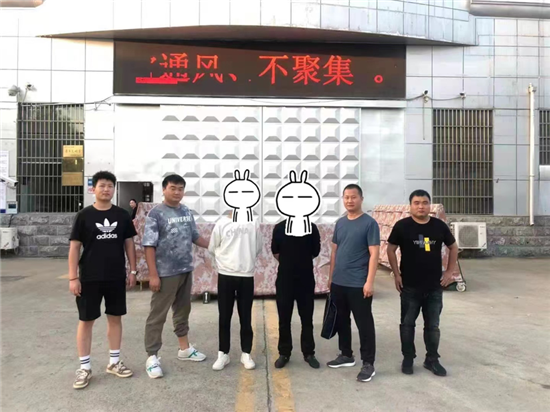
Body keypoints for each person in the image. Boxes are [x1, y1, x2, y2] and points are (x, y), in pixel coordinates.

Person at [68, 171, 137, 390]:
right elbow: (74, 247)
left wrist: (133, 271)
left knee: (115, 318)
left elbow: (129, 244)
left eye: (110, 186)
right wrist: (73, 277)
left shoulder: (122, 215)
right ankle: (84, 367)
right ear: (93, 189)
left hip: (116, 276)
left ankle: (114, 362)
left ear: (114, 189)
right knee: (86, 320)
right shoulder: (83, 216)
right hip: (89, 277)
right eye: (102, 185)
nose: (106, 189)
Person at [142, 174, 210, 378]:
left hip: (185, 270)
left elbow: (195, 236)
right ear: (164, 189)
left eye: (180, 189)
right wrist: (153, 275)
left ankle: (184, 349)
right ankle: (152, 356)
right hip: (165, 274)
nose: (177, 192)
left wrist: (215, 245)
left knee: (182, 311)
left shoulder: (186, 211)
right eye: (173, 188)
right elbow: (149, 245)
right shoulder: (156, 214)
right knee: (158, 315)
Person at [387, 190, 458, 377]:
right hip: (409, 286)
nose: (421, 206)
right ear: (410, 205)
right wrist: (396, 274)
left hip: (434, 286)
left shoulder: (439, 226)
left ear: (430, 205)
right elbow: (390, 249)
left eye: (425, 202)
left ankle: (432, 359)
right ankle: (408, 358)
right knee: (407, 324)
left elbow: (453, 247)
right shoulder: (402, 226)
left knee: (432, 326)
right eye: (417, 203)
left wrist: (449, 272)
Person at [327, 184, 380, 382]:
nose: (350, 200)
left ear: (361, 199)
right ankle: (346, 355)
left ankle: (368, 363)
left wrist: (369, 282)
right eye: (346, 197)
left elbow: (374, 254)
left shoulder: (369, 223)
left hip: (359, 283)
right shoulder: (340, 223)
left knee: (364, 324)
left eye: (353, 197)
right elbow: (335, 251)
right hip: (339, 282)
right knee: (342, 320)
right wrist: (331, 278)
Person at [208, 210, 262, 371]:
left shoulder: (253, 223)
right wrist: (225, 260)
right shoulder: (221, 223)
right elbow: (212, 247)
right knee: (224, 316)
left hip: (246, 275)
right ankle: (223, 353)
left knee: (246, 316)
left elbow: (258, 247)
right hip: (225, 274)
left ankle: (246, 353)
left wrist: (245, 260)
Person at [271, 215, 321, 369]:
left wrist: (300, 261)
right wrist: (289, 262)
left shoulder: (311, 228)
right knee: (284, 318)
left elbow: (315, 251)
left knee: (307, 318)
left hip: (306, 280)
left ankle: (309, 353)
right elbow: (275, 251)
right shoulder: (280, 228)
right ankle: (284, 353)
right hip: (285, 280)